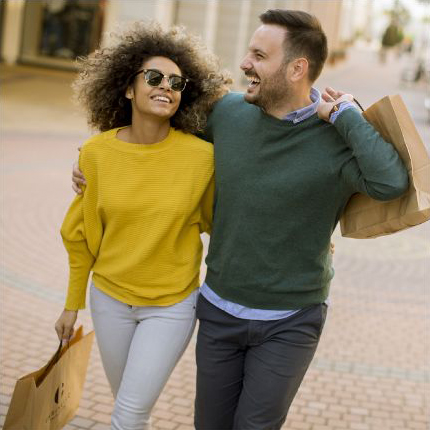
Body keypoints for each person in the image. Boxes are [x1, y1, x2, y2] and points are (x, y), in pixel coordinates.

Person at [72, 9, 409, 430]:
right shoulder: (228, 113)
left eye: (258, 55)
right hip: (217, 311)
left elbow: (391, 183)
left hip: (291, 318)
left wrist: (345, 116)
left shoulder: (336, 137)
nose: (245, 63)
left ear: (296, 68)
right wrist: (91, 161)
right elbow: (154, 135)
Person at [54, 22, 228, 430]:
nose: (165, 86)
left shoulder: (202, 159)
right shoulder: (96, 154)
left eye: (176, 81)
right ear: (128, 88)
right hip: (109, 300)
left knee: (127, 414)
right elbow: (77, 235)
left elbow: (217, 222)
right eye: (153, 77)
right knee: (131, 409)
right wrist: (71, 303)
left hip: (171, 306)